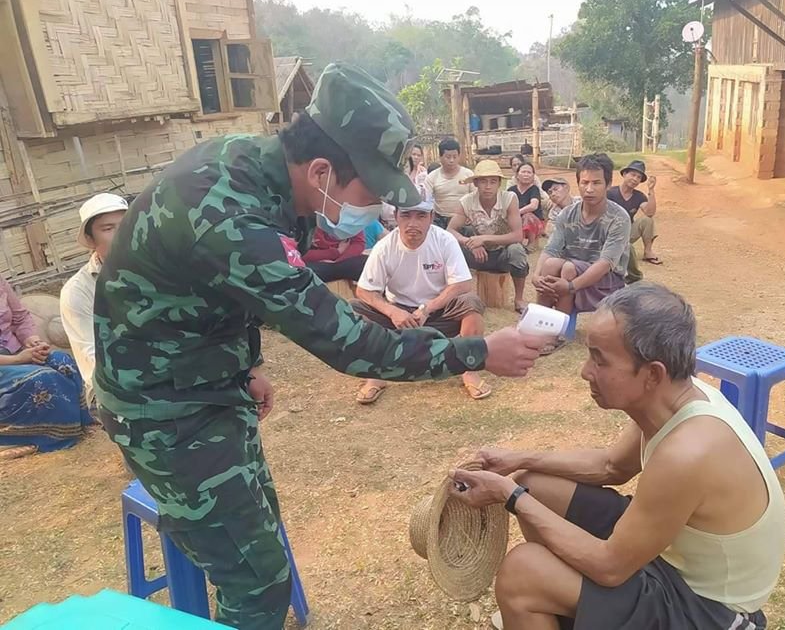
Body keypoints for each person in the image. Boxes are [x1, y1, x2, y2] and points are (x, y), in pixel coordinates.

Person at [93, 63, 546, 630]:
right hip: (163, 408)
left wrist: (247, 361)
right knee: (257, 584)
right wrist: (477, 352)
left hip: (207, 379)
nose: (379, 206)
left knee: (259, 541)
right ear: (324, 170)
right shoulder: (230, 215)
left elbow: (226, 289)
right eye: (373, 191)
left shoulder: (260, 168)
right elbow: (352, 345)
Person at [450, 283, 785, 630]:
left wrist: (509, 495)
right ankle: (557, 605)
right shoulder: (679, 396)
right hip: (672, 560)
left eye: (599, 359)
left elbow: (609, 568)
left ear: (652, 374)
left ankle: (537, 598)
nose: (585, 371)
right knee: (536, 485)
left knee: (522, 575)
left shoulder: (687, 452)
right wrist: (521, 461)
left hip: (707, 610)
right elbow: (612, 466)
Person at [352, 199, 492, 403]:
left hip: (438, 311)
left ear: (432, 218)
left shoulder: (445, 240)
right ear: (396, 217)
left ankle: (468, 368)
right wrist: (392, 312)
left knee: (470, 303)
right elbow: (364, 290)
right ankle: (374, 374)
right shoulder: (384, 247)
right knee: (355, 309)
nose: (413, 223)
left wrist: (428, 308)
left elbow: (462, 283)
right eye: (406, 215)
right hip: (399, 317)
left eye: (421, 216)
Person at [532, 154, 631, 354]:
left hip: (606, 282)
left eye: (596, 183)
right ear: (577, 183)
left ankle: (555, 335)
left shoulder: (619, 218)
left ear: (608, 184)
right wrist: (536, 275)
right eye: (584, 182)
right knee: (550, 265)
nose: (589, 189)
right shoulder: (568, 214)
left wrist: (570, 286)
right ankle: (538, 329)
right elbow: (551, 249)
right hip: (574, 274)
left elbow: (605, 263)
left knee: (568, 267)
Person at [1, 275, 94, 459]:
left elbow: (20, 317)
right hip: (7, 362)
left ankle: (81, 424)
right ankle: (44, 437)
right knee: (44, 379)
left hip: (16, 350)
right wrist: (18, 359)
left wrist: (32, 340)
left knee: (63, 362)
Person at [60, 192, 129, 406]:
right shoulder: (78, 291)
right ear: (90, 239)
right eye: (108, 229)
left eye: (127, 224)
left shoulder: (161, 271)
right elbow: (93, 360)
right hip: (113, 388)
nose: (121, 234)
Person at [447, 160, 529, 314]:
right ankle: (458, 295)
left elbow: (518, 235)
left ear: (499, 183)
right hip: (477, 255)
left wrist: (484, 239)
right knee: (451, 248)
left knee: (517, 250)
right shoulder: (466, 201)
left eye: (493, 181)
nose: (488, 186)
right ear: (476, 183)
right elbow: (450, 230)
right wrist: (469, 242)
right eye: (483, 181)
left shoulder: (509, 198)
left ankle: (519, 299)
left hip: (503, 255)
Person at [607, 160, 660, 274]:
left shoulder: (639, 196)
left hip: (627, 232)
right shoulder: (610, 193)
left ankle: (648, 251)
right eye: (632, 174)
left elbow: (649, 212)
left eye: (639, 177)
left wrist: (651, 190)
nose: (635, 179)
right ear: (624, 174)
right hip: (609, 233)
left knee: (647, 220)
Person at [424, 138, 473, 229]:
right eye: (448, 157)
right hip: (440, 219)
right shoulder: (432, 177)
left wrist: (471, 214)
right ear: (440, 157)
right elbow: (426, 200)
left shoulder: (468, 174)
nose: (451, 160)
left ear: (459, 156)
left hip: (464, 218)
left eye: (455, 157)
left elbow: (476, 197)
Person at [302, 226, 368, 284]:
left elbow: (358, 243)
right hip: (316, 265)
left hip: (343, 263)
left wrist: (337, 262)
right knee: (303, 270)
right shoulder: (308, 221)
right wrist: (335, 252)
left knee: (366, 263)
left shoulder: (352, 220)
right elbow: (299, 254)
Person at [509, 162, 545, 249]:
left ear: (533, 176)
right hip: (516, 221)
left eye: (529, 172)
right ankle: (517, 243)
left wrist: (517, 212)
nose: (526, 174)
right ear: (517, 175)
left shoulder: (534, 189)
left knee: (528, 216)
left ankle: (532, 243)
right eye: (523, 172)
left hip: (535, 222)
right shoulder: (511, 190)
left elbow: (533, 206)